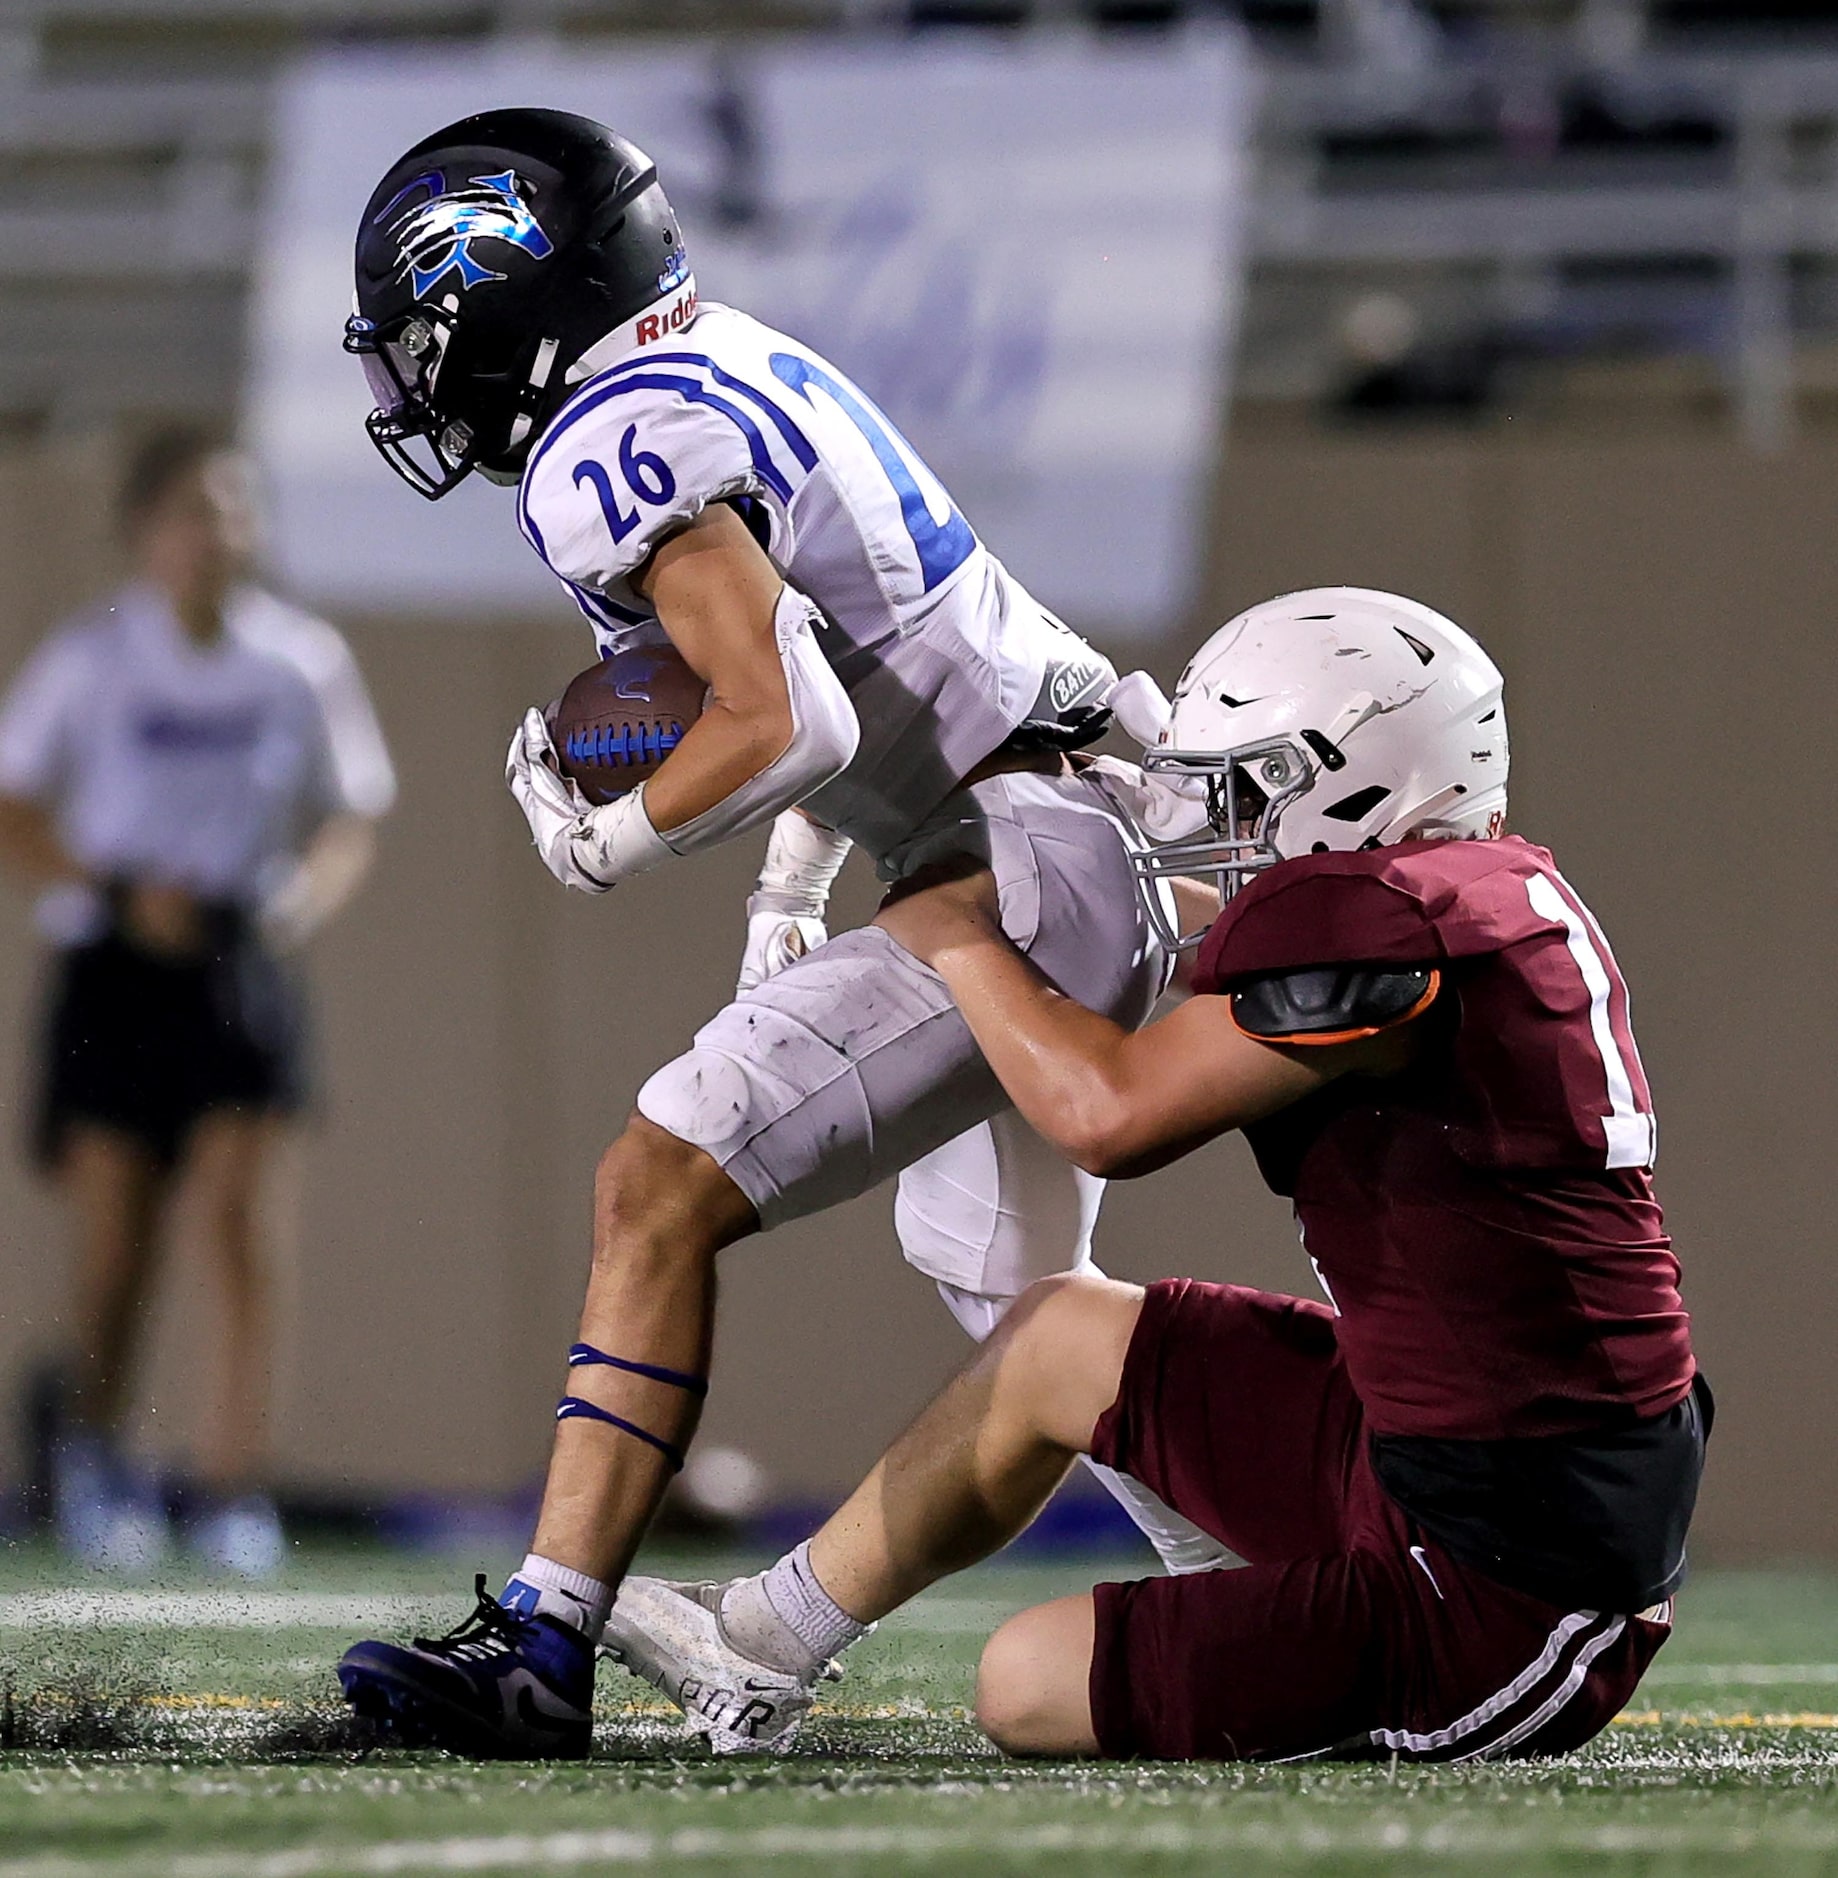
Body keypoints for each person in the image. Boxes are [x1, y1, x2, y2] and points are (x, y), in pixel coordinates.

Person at [335, 107, 1229, 1755]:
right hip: (1073, 818)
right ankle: (1273, 1580)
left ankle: (541, 1641)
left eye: (419, 335)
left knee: (655, 1176)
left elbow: (793, 716)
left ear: (498, 295)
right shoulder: (723, 362)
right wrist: (783, 889)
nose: (412, 378)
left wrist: (610, 833)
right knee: (1011, 1282)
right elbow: (863, 653)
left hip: (1020, 857)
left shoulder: (608, 444)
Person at [602, 588, 1709, 1764]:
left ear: (1359, 778)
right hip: (1441, 1450)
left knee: (1022, 1682)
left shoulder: (1395, 937)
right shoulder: (1464, 892)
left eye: (1243, 785)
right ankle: (762, 1640)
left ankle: (1306, 1637)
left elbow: (1108, 1116)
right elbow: (1204, 963)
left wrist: (959, 932)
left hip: (1516, 1571)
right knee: (1057, 1336)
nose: (1212, 816)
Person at [0, 428, 397, 1575]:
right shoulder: (94, 658)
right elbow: (15, 804)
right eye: (189, 511)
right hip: (114, 967)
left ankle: (232, 1491)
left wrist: (292, 908)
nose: (213, 534)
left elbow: (348, 816)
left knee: (240, 1230)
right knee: (117, 1244)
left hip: (239, 963)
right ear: (144, 530)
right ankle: (94, 1461)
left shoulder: (299, 660)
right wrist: (118, 892)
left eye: (233, 510)